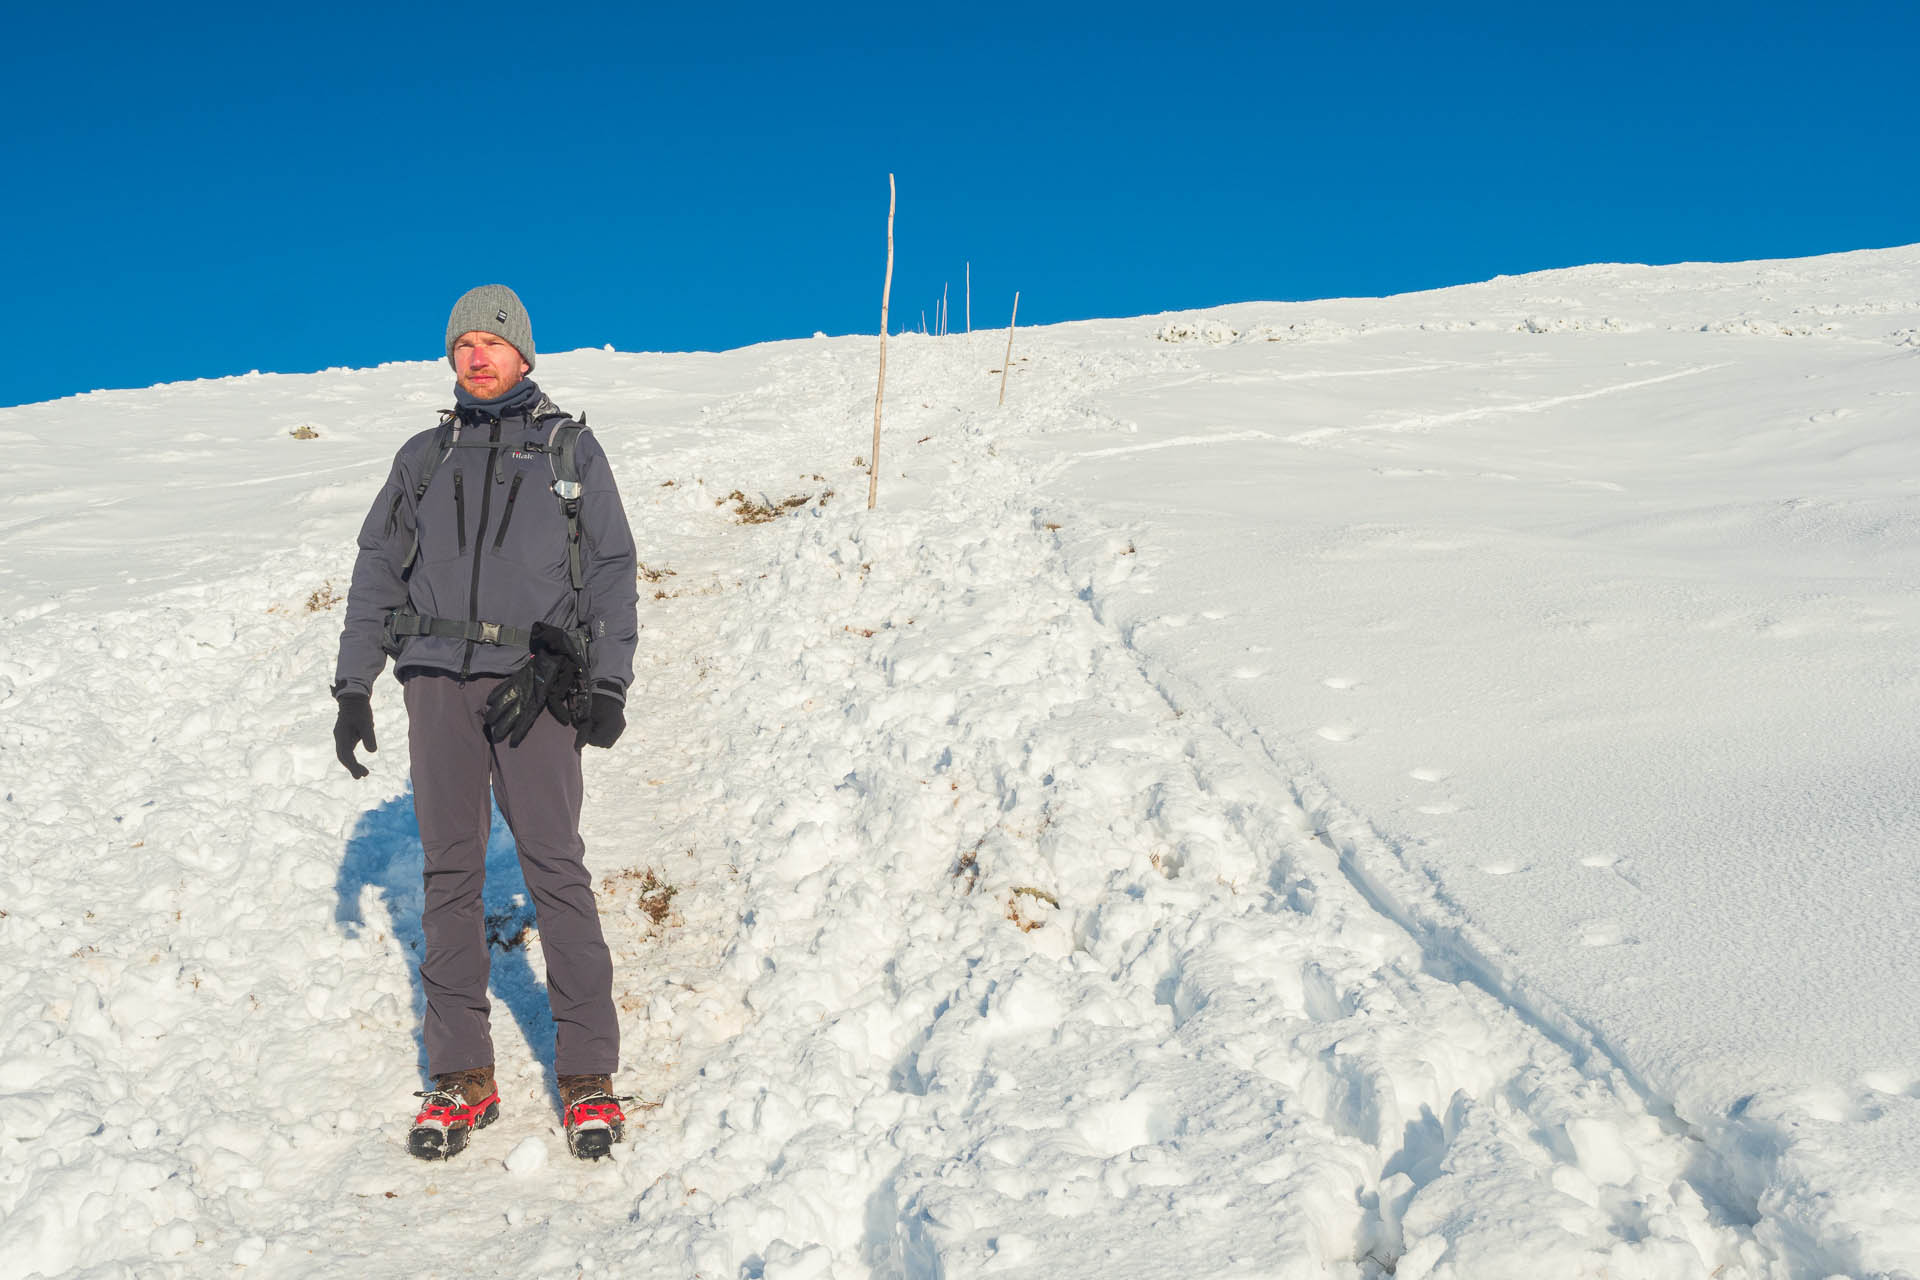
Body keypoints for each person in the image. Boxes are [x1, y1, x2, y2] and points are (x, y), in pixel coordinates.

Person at [330, 284, 640, 1161]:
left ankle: (587, 1077)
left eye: (492, 342)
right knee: (449, 875)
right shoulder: (422, 458)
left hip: (533, 685)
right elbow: (375, 572)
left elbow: (611, 571)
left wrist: (605, 683)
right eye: (463, 343)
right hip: (434, 684)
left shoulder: (568, 451)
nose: (477, 355)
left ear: (524, 354)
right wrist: (354, 684)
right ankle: (463, 1076)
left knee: (554, 867)